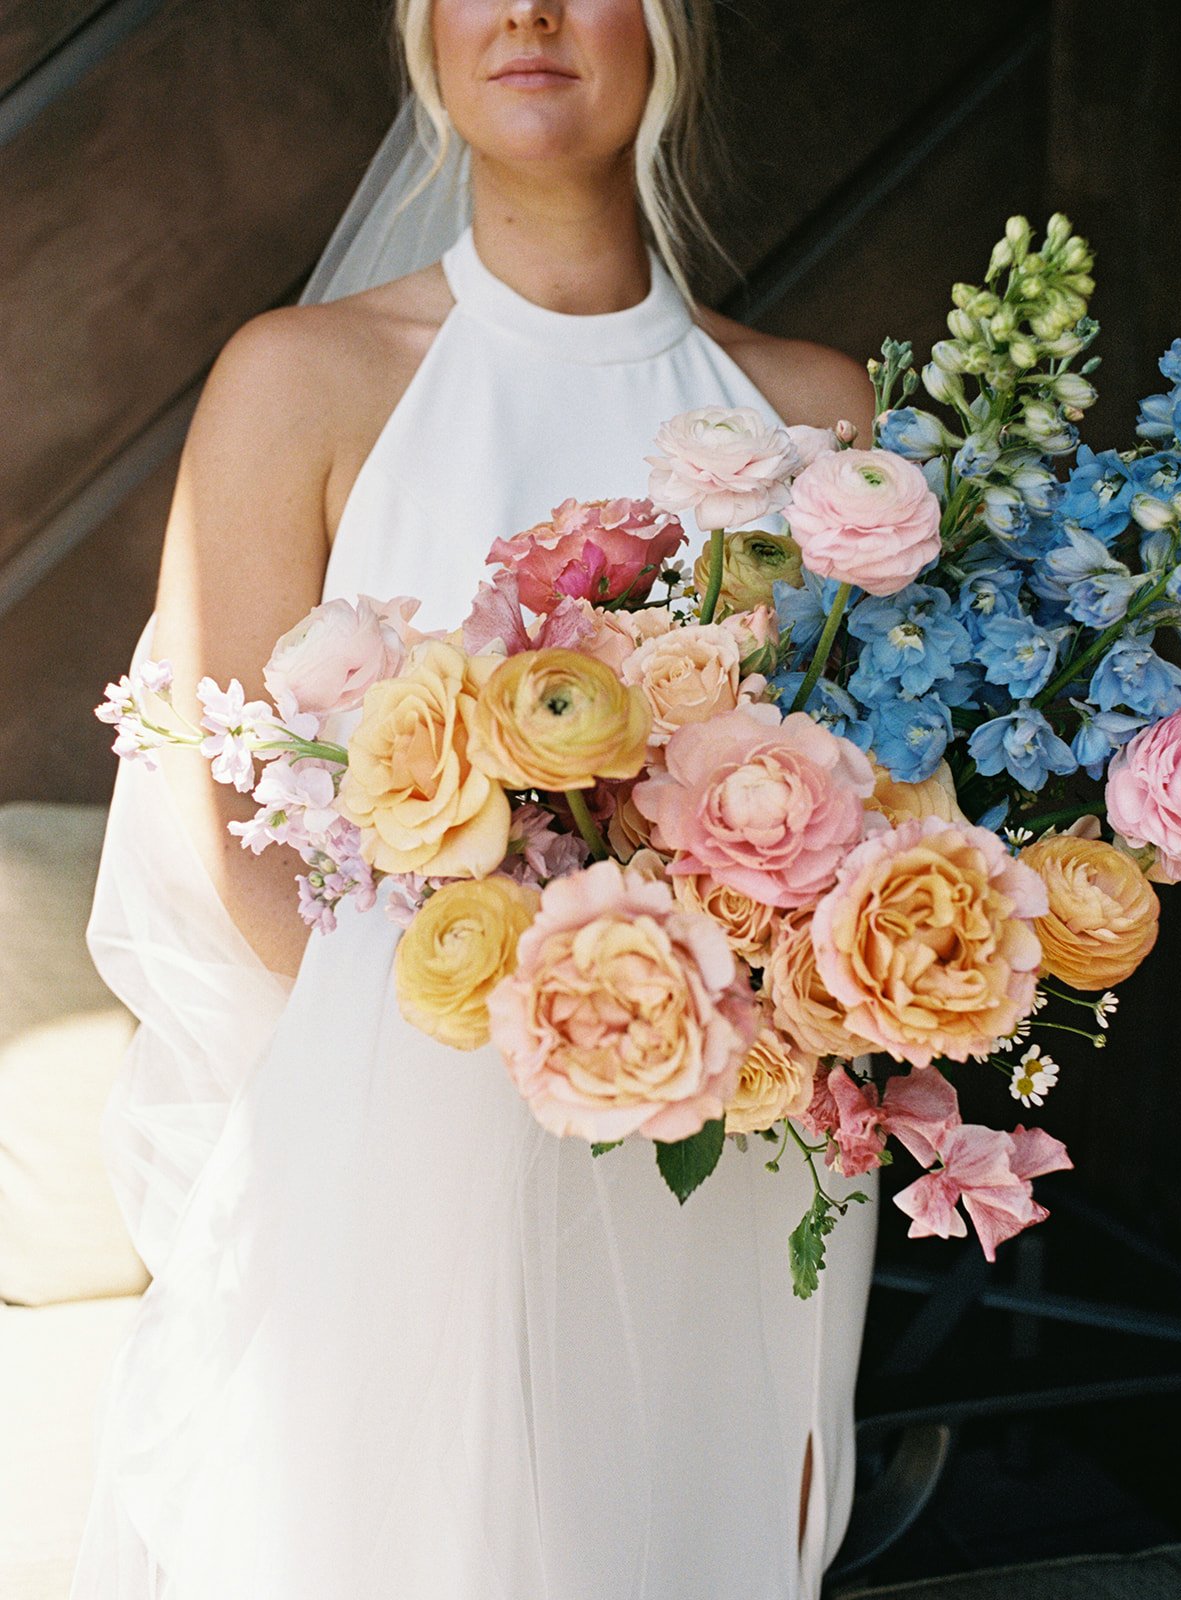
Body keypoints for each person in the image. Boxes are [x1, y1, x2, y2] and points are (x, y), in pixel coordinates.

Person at [73, 2, 880, 1596]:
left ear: (665, 30)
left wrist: (700, 1035)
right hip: (401, 1136)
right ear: (419, 31)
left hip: (721, 1146)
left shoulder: (821, 418)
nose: (523, 12)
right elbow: (233, 834)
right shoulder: (298, 381)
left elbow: (869, 813)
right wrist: (507, 1057)